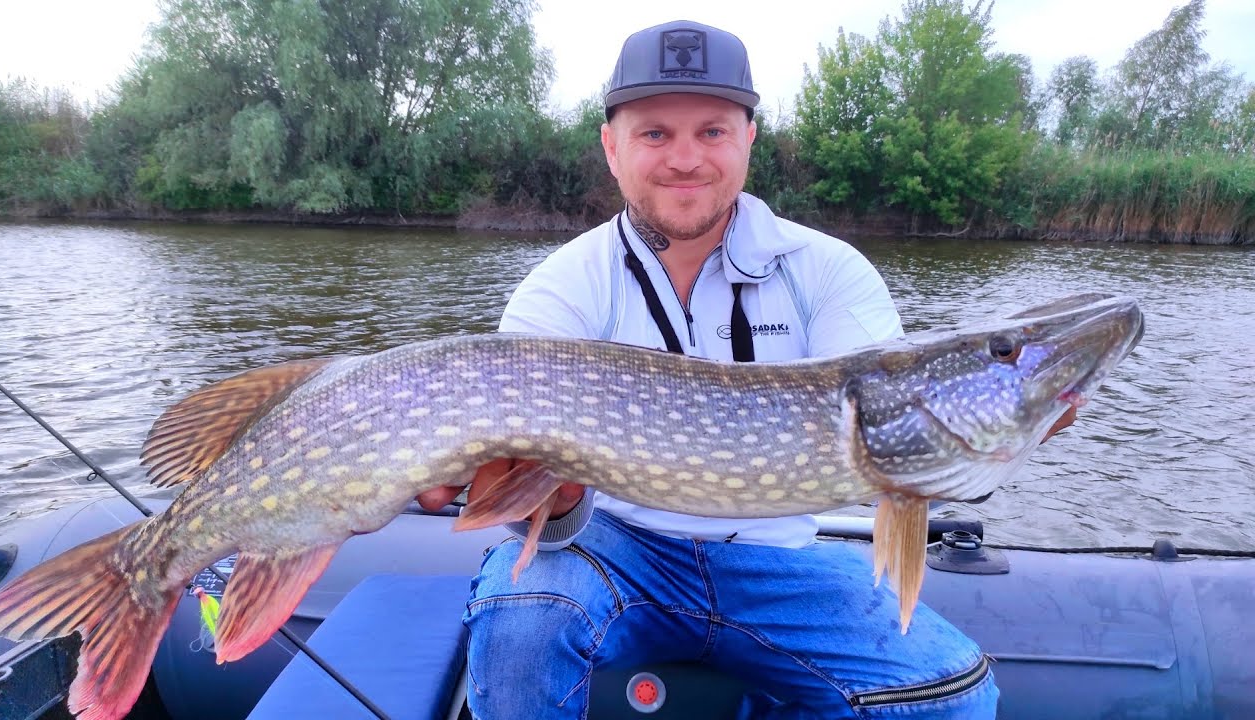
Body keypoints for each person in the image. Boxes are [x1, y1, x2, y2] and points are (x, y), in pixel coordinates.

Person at [418, 18, 1072, 719]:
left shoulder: (828, 273)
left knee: (949, 699)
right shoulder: (560, 291)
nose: (685, 159)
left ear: (748, 140)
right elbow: (537, 524)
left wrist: (1003, 425)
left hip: (779, 565)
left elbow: (900, 445)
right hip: (614, 551)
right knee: (522, 623)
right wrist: (557, 495)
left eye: (712, 131)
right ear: (611, 147)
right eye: (655, 134)